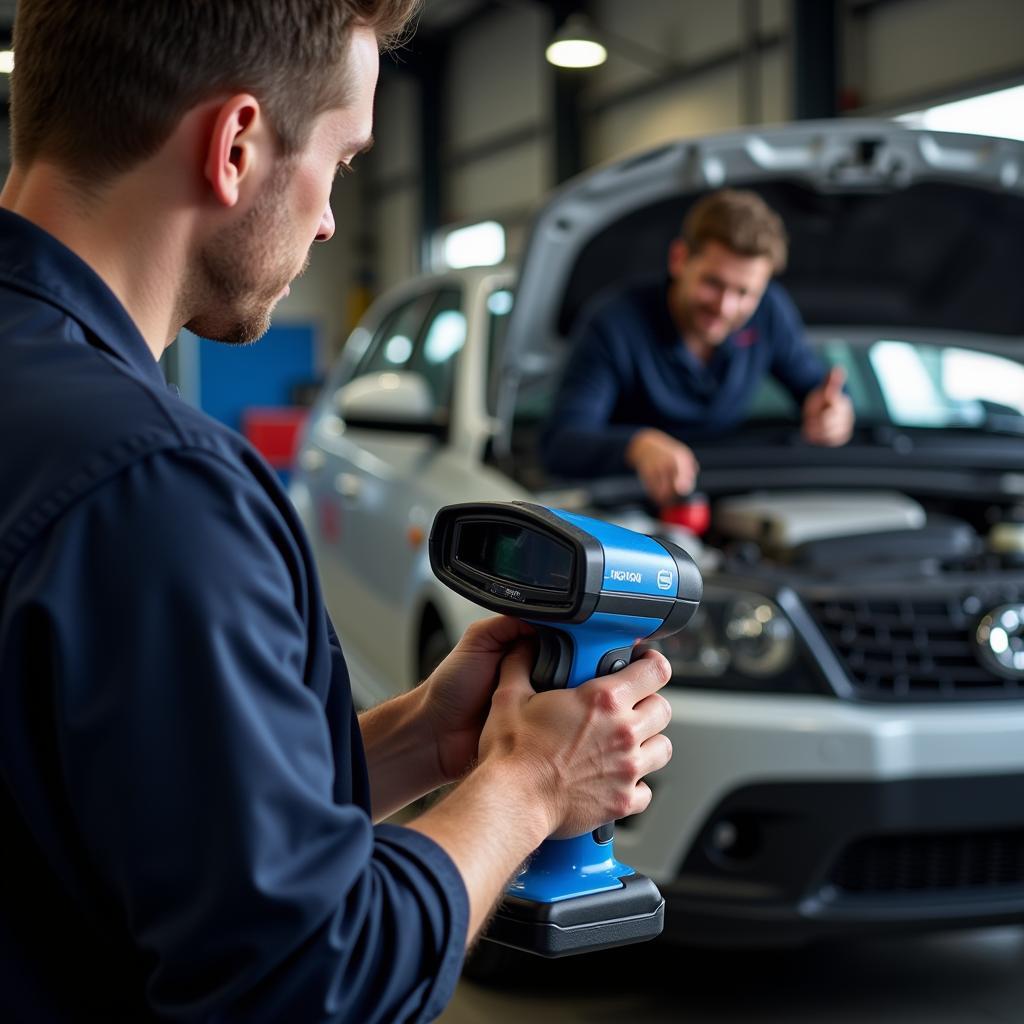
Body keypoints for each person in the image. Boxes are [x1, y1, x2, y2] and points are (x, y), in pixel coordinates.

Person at [0, 3, 675, 1022]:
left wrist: (421, 740)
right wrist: (533, 780)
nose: (325, 218)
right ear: (234, 146)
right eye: (343, 159)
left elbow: (118, 814)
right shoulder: (151, 487)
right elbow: (310, 978)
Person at [540, 188, 855, 507]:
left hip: (732, 491)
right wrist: (637, 446)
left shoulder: (769, 312)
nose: (726, 307)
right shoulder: (614, 323)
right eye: (713, 283)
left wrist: (834, 413)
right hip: (628, 502)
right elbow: (562, 444)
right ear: (679, 259)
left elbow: (818, 390)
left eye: (745, 292)